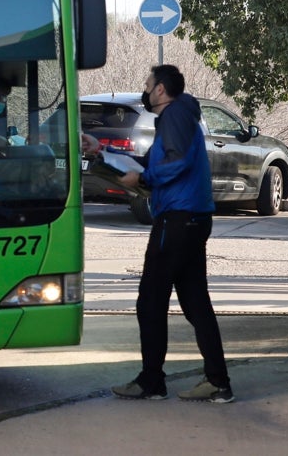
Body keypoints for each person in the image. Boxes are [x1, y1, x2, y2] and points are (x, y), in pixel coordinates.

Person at [82, 65, 234, 403]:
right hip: (191, 217)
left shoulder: (176, 115)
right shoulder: (177, 118)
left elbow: (170, 164)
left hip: (177, 219)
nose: (145, 90)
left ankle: (152, 381)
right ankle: (218, 383)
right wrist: (102, 151)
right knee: (196, 303)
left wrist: (146, 180)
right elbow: (147, 162)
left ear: (161, 90)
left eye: (148, 85)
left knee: (150, 300)